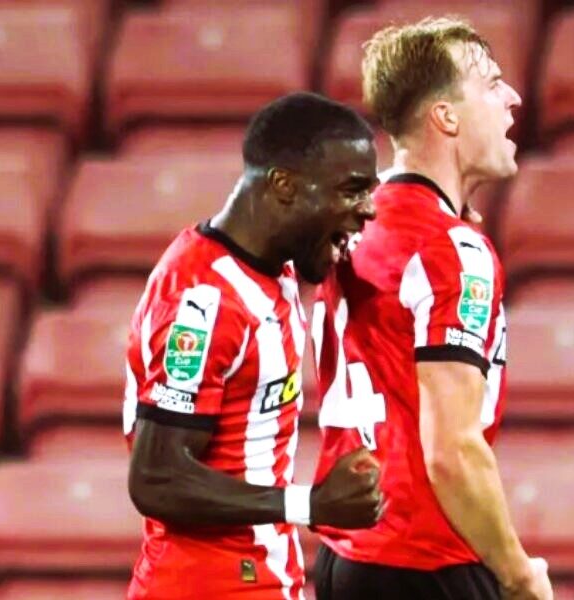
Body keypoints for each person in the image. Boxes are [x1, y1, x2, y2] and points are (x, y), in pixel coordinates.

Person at [310, 18, 554, 600]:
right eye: (491, 84)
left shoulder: (351, 226)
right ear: (445, 117)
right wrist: (520, 577)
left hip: (344, 560)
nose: (512, 98)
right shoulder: (452, 247)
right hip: (425, 564)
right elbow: (451, 450)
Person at [123, 92, 383, 599]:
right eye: (352, 190)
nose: (367, 210)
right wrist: (310, 504)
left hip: (260, 577)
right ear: (284, 185)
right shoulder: (203, 303)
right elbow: (155, 478)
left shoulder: (279, 266)